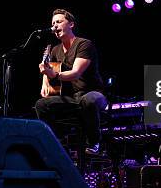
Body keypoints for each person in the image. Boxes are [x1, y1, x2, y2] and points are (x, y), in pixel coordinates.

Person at [35, 9, 107, 154]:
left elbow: (75, 73)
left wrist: (53, 75)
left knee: (89, 100)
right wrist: (45, 82)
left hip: (92, 93)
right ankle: (55, 141)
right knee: (41, 104)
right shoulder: (55, 50)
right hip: (71, 97)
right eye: (53, 23)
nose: (55, 26)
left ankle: (94, 142)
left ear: (71, 24)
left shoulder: (84, 44)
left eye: (59, 22)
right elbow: (48, 68)